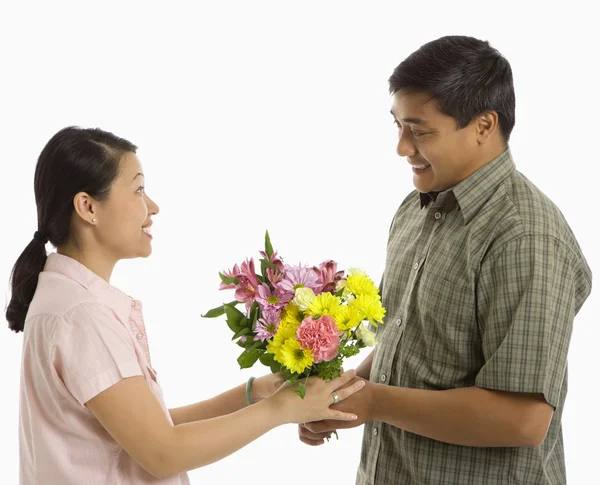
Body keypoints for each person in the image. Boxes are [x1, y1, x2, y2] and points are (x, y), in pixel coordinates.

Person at [298, 35, 593, 485]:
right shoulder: (417, 211)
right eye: (396, 125)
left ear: (483, 126)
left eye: (418, 130)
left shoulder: (525, 235)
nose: (401, 146)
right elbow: (409, 343)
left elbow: (522, 419)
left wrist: (373, 402)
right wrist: (342, 394)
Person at [7, 126, 365, 485]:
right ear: (87, 207)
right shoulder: (82, 315)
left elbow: (148, 431)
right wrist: (282, 409)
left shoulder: (67, 299)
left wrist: (253, 394)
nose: (153, 207)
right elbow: (163, 453)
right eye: (138, 189)